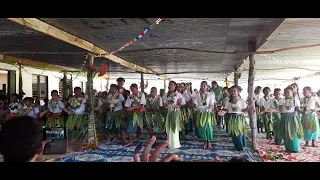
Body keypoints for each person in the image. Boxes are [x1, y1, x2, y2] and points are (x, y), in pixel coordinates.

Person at [219, 85, 251, 151]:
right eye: (231, 91)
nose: (232, 92)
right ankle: (238, 146)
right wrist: (223, 112)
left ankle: (241, 147)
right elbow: (226, 109)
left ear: (238, 92)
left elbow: (243, 110)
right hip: (232, 118)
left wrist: (248, 108)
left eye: (234, 91)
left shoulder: (241, 100)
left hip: (239, 118)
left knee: (239, 132)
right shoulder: (228, 100)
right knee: (234, 133)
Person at [279, 86, 303, 153]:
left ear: (292, 93)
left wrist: (303, 112)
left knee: (294, 133)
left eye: (288, 92)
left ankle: (295, 148)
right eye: (285, 92)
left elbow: (298, 109)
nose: (286, 94)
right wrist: (271, 110)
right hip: (284, 118)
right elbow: (279, 110)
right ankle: (288, 148)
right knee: (286, 133)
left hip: (293, 118)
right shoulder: (282, 100)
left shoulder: (296, 100)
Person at [194, 81, 217, 149]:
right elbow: (196, 104)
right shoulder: (198, 94)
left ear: (207, 87)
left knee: (208, 128)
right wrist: (194, 104)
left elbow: (212, 104)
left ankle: (209, 142)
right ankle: (204, 142)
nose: (202, 87)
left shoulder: (211, 94)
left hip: (208, 113)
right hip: (200, 113)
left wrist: (211, 106)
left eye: (204, 86)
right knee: (201, 128)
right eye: (201, 86)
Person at [162, 81, 183, 149]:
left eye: (171, 85)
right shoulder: (166, 94)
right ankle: (169, 143)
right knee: (168, 128)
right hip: (169, 112)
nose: (170, 86)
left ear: (175, 86)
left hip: (175, 112)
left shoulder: (178, 94)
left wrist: (172, 106)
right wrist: (165, 106)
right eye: (169, 85)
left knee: (174, 128)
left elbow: (179, 105)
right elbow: (164, 105)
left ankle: (175, 144)